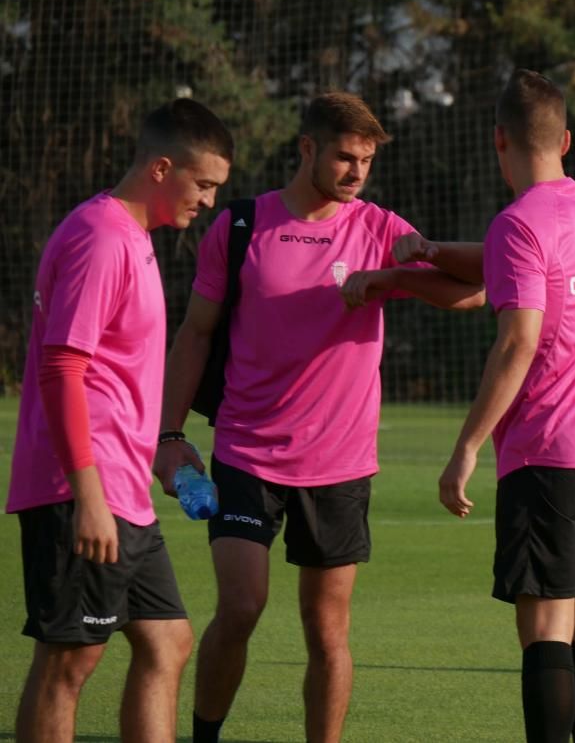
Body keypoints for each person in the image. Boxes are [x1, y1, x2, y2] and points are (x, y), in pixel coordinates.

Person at [153, 92, 484, 743]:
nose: (357, 170)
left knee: (327, 629)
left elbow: (478, 290)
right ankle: (204, 734)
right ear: (307, 148)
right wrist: (168, 434)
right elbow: (194, 334)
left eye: (365, 159)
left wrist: (394, 277)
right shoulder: (242, 224)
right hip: (246, 451)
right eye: (344, 155)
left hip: (340, 463)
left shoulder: (381, 226)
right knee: (242, 604)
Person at [7, 99, 234, 743]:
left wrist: (161, 447)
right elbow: (61, 367)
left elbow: (120, 377)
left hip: (124, 491)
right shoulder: (101, 237)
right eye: (204, 184)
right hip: (83, 489)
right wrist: (87, 496)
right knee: (69, 662)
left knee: (168, 641)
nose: (211, 202)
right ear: (162, 168)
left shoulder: (131, 239)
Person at [435, 69, 575, 743]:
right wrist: (430, 258)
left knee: (544, 628)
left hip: (551, 450)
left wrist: (467, 446)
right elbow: (511, 267)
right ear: (567, 139)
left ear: (498, 139)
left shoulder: (516, 223)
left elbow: (518, 339)